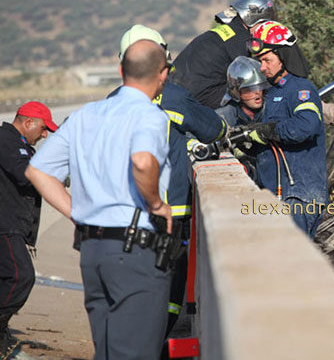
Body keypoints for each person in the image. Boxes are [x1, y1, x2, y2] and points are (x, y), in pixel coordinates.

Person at [25, 38, 173, 359]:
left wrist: (76, 212)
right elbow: (143, 161)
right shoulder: (150, 116)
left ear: (121, 70)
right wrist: (158, 205)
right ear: (163, 74)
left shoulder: (85, 115)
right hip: (136, 248)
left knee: (105, 350)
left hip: (92, 250)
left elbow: (38, 171)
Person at [117, 25, 228, 340]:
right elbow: (213, 129)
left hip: (125, 213)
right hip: (170, 210)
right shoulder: (174, 97)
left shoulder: (113, 101)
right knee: (168, 287)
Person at [243, 21, 326, 238]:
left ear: (284, 57)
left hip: (297, 197)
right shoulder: (272, 93)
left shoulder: (300, 89)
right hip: (277, 197)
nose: (262, 67)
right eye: (260, 61)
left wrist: (268, 131)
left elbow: (306, 125)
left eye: (267, 60)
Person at [0, 101, 57, 354]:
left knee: (10, 278)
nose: (44, 135)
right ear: (29, 122)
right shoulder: (6, 140)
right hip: (4, 225)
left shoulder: (20, 145)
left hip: (13, 225)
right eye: (44, 129)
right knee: (21, 276)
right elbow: (26, 176)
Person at [170, 0, 279, 109]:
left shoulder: (223, 32)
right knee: (251, 94)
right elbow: (250, 78)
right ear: (251, 19)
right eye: (264, 23)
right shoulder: (242, 41)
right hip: (197, 99)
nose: (265, 29)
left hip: (173, 94)